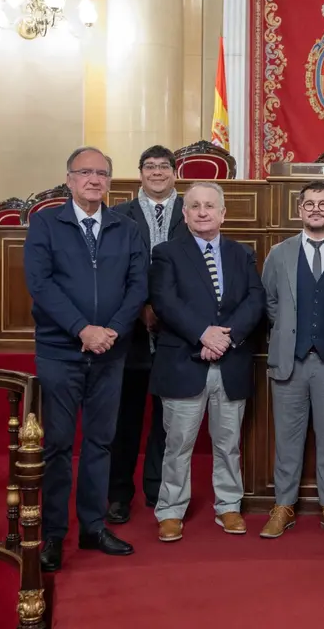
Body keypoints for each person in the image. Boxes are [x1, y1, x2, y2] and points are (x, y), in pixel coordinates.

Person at [24, 146, 148, 572]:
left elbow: (138, 285)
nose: (94, 179)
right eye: (85, 172)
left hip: (111, 351)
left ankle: (93, 527)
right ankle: (54, 535)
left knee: (100, 442)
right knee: (58, 446)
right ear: (69, 179)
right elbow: (39, 284)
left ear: (110, 181)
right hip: (61, 351)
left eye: (101, 173)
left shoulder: (126, 227)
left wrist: (110, 330)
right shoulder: (45, 223)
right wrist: (82, 329)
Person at [148, 181, 264, 542]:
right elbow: (165, 301)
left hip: (230, 363)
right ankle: (170, 510)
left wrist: (225, 337)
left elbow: (255, 300)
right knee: (178, 444)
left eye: (209, 206)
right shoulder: (167, 252)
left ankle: (228, 506)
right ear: (184, 214)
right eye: (195, 206)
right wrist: (203, 333)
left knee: (228, 443)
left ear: (222, 213)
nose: (202, 212)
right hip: (184, 363)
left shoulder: (241, 253)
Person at [259, 180, 324, 540]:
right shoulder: (279, 253)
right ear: (300, 210)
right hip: (290, 362)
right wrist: (293, 331)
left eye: (323, 203)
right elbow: (270, 303)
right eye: (310, 204)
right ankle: (283, 507)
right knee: (287, 442)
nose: (317, 209)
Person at [106, 146, 189, 525]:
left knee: (166, 420)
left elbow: (196, 270)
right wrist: (140, 307)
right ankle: (119, 494)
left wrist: (169, 310)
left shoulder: (193, 210)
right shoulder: (119, 215)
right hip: (130, 333)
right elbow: (113, 271)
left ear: (175, 172)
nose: (157, 173)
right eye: (150, 167)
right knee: (126, 419)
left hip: (177, 332)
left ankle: (158, 490)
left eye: (164, 167)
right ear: (140, 172)